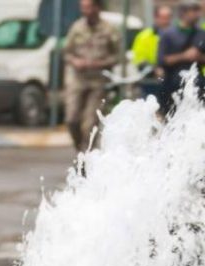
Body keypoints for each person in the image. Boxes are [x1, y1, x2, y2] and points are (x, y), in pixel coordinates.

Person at [64, 0, 119, 152]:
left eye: (88, 7)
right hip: (77, 79)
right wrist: (75, 61)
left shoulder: (109, 29)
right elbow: (67, 52)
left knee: (90, 123)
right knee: (71, 119)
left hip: (98, 81)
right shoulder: (77, 27)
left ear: (97, 8)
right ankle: (79, 148)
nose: (85, 11)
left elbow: (118, 56)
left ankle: (86, 155)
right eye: (83, 8)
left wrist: (100, 63)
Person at [157, 0, 205, 116]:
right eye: (193, 11)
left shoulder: (203, 35)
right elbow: (162, 60)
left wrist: (199, 57)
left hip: (197, 87)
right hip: (172, 88)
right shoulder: (168, 35)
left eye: (198, 11)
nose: (197, 15)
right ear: (183, 13)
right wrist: (184, 56)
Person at [132, 5, 173, 99]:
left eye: (168, 18)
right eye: (163, 18)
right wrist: (154, 69)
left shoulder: (176, 35)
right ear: (156, 18)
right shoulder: (144, 36)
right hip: (150, 82)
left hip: (170, 81)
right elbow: (139, 60)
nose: (166, 21)